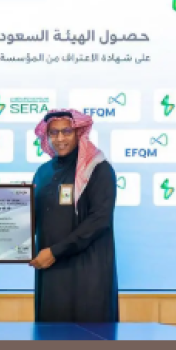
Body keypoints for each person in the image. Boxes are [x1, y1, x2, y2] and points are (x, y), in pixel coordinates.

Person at [28, 109, 119, 323]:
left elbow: (99, 220)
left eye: (66, 132)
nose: (60, 139)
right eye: (54, 133)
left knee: (88, 336)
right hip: (50, 272)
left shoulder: (97, 169)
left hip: (88, 274)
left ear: (78, 132)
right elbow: (32, 217)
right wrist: (1, 201)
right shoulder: (43, 172)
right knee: (50, 335)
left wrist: (56, 251)